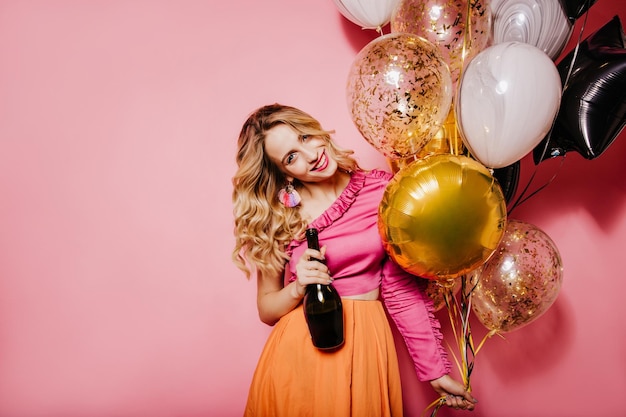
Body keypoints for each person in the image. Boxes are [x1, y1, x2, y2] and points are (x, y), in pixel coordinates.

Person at [232, 103, 477, 416]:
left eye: (305, 138)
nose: (310, 156)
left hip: (367, 349)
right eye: (291, 157)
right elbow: (266, 309)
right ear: (284, 173)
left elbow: (400, 290)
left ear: (317, 131)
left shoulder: (381, 191)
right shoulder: (281, 217)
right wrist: (298, 287)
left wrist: (436, 373)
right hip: (300, 355)